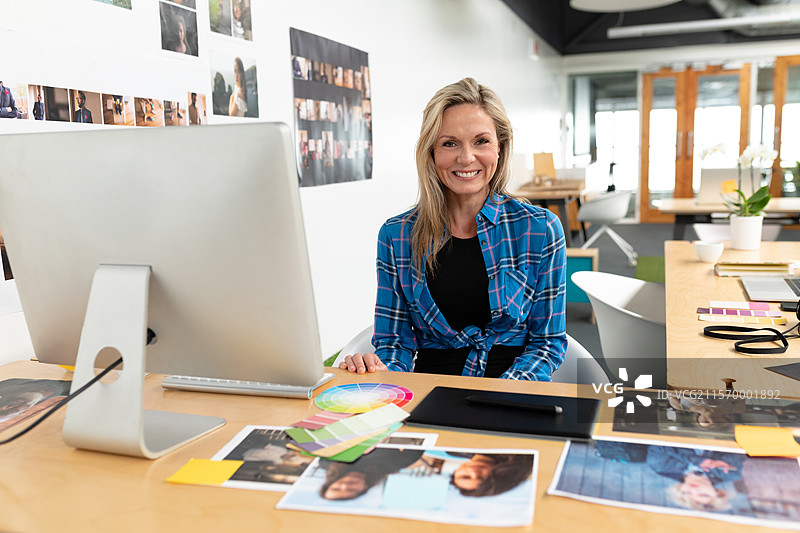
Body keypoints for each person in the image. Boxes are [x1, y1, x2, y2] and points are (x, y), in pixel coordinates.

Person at [339, 77, 566, 380]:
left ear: (500, 148)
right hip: (427, 393)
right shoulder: (396, 236)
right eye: (449, 143)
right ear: (432, 153)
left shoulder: (539, 229)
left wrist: (502, 395)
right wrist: (382, 373)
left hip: (514, 390)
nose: (466, 157)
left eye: (481, 141)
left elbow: (547, 343)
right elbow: (395, 344)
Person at [449, 453, 534, 497]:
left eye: (465, 477)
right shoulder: (520, 454)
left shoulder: (452, 450)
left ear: (456, 471)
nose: (474, 473)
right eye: (481, 477)